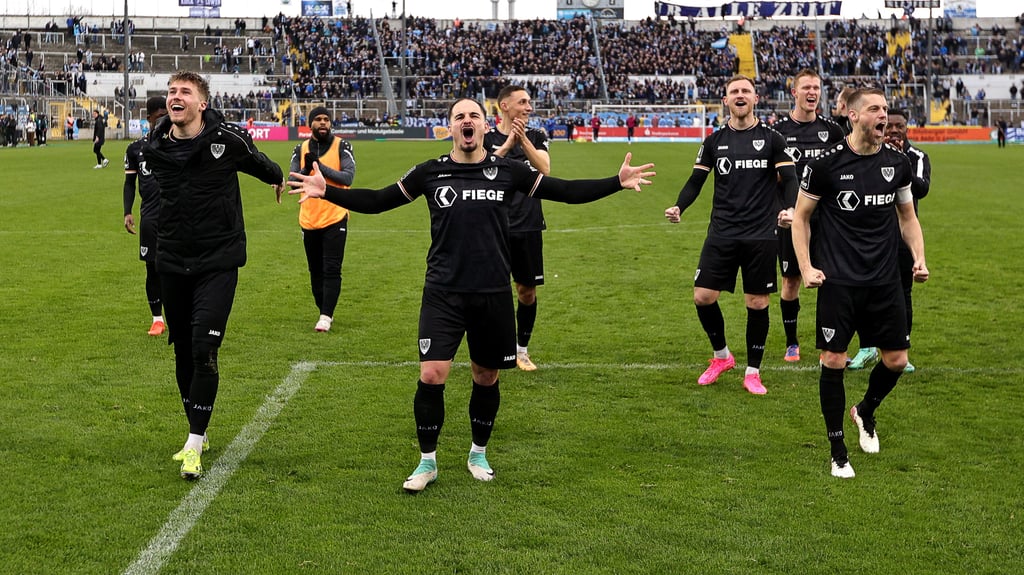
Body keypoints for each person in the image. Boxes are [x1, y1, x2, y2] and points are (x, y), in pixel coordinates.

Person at [287, 98, 655, 494]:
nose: (467, 121)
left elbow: (564, 190)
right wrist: (329, 192)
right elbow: (378, 201)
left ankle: (478, 453)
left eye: (473, 116)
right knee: (432, 374)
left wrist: (615, 182)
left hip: (493, 293)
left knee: (486, 376)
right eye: (459, 116)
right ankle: (427, 461)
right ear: (451, 127)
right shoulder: (430, 172)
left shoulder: (508, 171)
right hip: (443, 292)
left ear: (484, 127)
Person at [143, 70, 286, 480]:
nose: (175, 96)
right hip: (171, 260)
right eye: (171, 91)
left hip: (218, 260)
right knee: (183, 349)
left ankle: (193, 441)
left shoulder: (228, 139)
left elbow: (261, 163)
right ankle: (198, 431)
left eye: (185, 91)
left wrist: (277, 177)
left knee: (205, 347)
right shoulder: (152, 146)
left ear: (201, 103)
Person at [791, 88, 929, 479]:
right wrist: (806, 267)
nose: (883, 115)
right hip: (839, 282)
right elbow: (801, 218)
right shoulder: (825, 164)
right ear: (853, 116)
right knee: (833, 360)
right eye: (874, 109)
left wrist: (919, 256)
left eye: (885, 109)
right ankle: (837, 450)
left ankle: (865, 411)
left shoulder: (897, 163)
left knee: (896, 361)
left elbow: (907, 217)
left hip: (885, 280)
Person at [664, 75, 798, 395]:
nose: (740, 96)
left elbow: (790, 179)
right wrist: (680, 206)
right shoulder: (714, 141)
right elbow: (696, 181)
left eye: (745, 91)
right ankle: (722, 356)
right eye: (734, 92)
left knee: (757, 302)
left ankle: (753, 372)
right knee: (703, 296)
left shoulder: (772, 138)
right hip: (722, 232)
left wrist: (790, 209)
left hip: (761, 233)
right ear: (726, 100)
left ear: (755, 99)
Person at [848, 108, 931, 373]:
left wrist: (897, 160)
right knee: (863, 293)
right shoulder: (870, 154)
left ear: (907, 129)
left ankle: (900, 349)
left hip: (902, 239)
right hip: (871, 238)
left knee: (902, 294)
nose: (894, 131)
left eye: (899, 126)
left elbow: (922, 188)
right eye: (890, 126)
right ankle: (867, 348)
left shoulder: (915, 157)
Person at [771, 69, 846, 363]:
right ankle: (792, 343)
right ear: (794, 92)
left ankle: (830, 343)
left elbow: (844, 173)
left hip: (826, 221)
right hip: (791, 221)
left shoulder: (833, 131)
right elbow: (769, 179)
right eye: (806, 88)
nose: (812, 92)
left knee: (834, 280)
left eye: (816, 87)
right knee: (791, 281)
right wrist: (779, 210)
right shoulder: (777, 132)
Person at [484, 85, 550, 371]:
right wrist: (509, 144)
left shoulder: (537, 136)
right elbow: (482, 171)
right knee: (490, 291)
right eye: (523, 102)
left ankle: (521, 350)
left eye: (529, 102)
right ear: (504, 106)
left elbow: (545, 169)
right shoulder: (486, 138)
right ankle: (493, 348)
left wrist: (523, 141)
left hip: (527, 225)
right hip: (492, 226)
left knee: (526, 292)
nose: (529, 107)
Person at [288, 106, 356, 332]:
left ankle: (326, 316)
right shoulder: (300, 148)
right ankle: (323, 308)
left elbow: (348, 177)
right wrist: (307, 167)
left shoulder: (342, 146)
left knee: (331, 268)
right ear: (310, 124)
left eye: (326, 119)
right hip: (309, 217)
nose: (323, 122)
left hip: (335, 214)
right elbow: (293, 179)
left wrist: (320, 166)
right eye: (318, 119)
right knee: (315, 270)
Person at [123, 96, 169, 336]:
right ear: (150, 117)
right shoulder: (136, 148)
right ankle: (157, 319)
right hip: (150, 219)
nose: (164, 120)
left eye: (167, 115)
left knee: (180, 268)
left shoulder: (178, 144)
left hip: (177, 217)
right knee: (152, 268)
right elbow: (130, 182)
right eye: (160, 116)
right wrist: (127, 211)